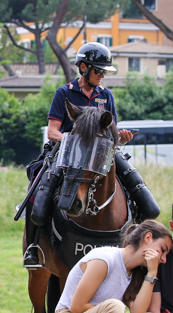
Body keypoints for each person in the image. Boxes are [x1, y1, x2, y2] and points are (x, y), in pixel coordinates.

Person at [23, 42, 160, 268]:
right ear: (83, 68)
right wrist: (76, 141)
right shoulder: (64, 93)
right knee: (40, 187)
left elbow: (112, 130)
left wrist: (121, 138)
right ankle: (33, 246)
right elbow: (52, 131)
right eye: (98, 70)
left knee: (135, 183)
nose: (102, 75)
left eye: (104, 71)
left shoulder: (106, 96)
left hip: (102, 152)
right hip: (68, 152)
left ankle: (140, 241)